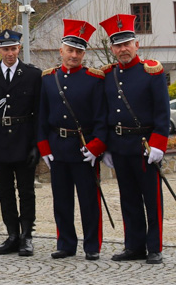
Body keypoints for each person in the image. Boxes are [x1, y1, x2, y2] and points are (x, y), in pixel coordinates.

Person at [99, 13, 170, 264]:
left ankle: (154, 247)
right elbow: (105, 113)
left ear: (136, 44)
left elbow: (162, 112)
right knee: (128, 198)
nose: (123, 49)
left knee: (152, 199)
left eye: (127, 44)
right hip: (119, 147)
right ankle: (134, 246)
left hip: (145, 146)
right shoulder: (108, 75)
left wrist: (159, 144)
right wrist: (106, 147)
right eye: (118, 45)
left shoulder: (152, 72)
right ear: (112, 49)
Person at [36, 20, 107, 261]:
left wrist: (96, 146)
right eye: (70, 50)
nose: (74, 55)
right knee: (62, 201)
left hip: (83, 148)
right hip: (57, 146)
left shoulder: (94, 79)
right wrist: (44, 146)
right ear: (61, 50)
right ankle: (65, 243)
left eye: (78, 51)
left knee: (89, 201)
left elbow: (101, 118)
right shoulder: (47, 79)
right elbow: (42, 116)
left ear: (83, 53)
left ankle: (92, 246)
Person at [0, 29, 42, 256]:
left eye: (13, 48)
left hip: (24, 140)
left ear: (19, 49)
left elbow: (38, 113)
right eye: (5, 49)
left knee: (26, 192)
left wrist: (37, 145)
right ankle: (12, 234)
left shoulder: (33, 75)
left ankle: (27, 236)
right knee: (5, 191)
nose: (10, 53)